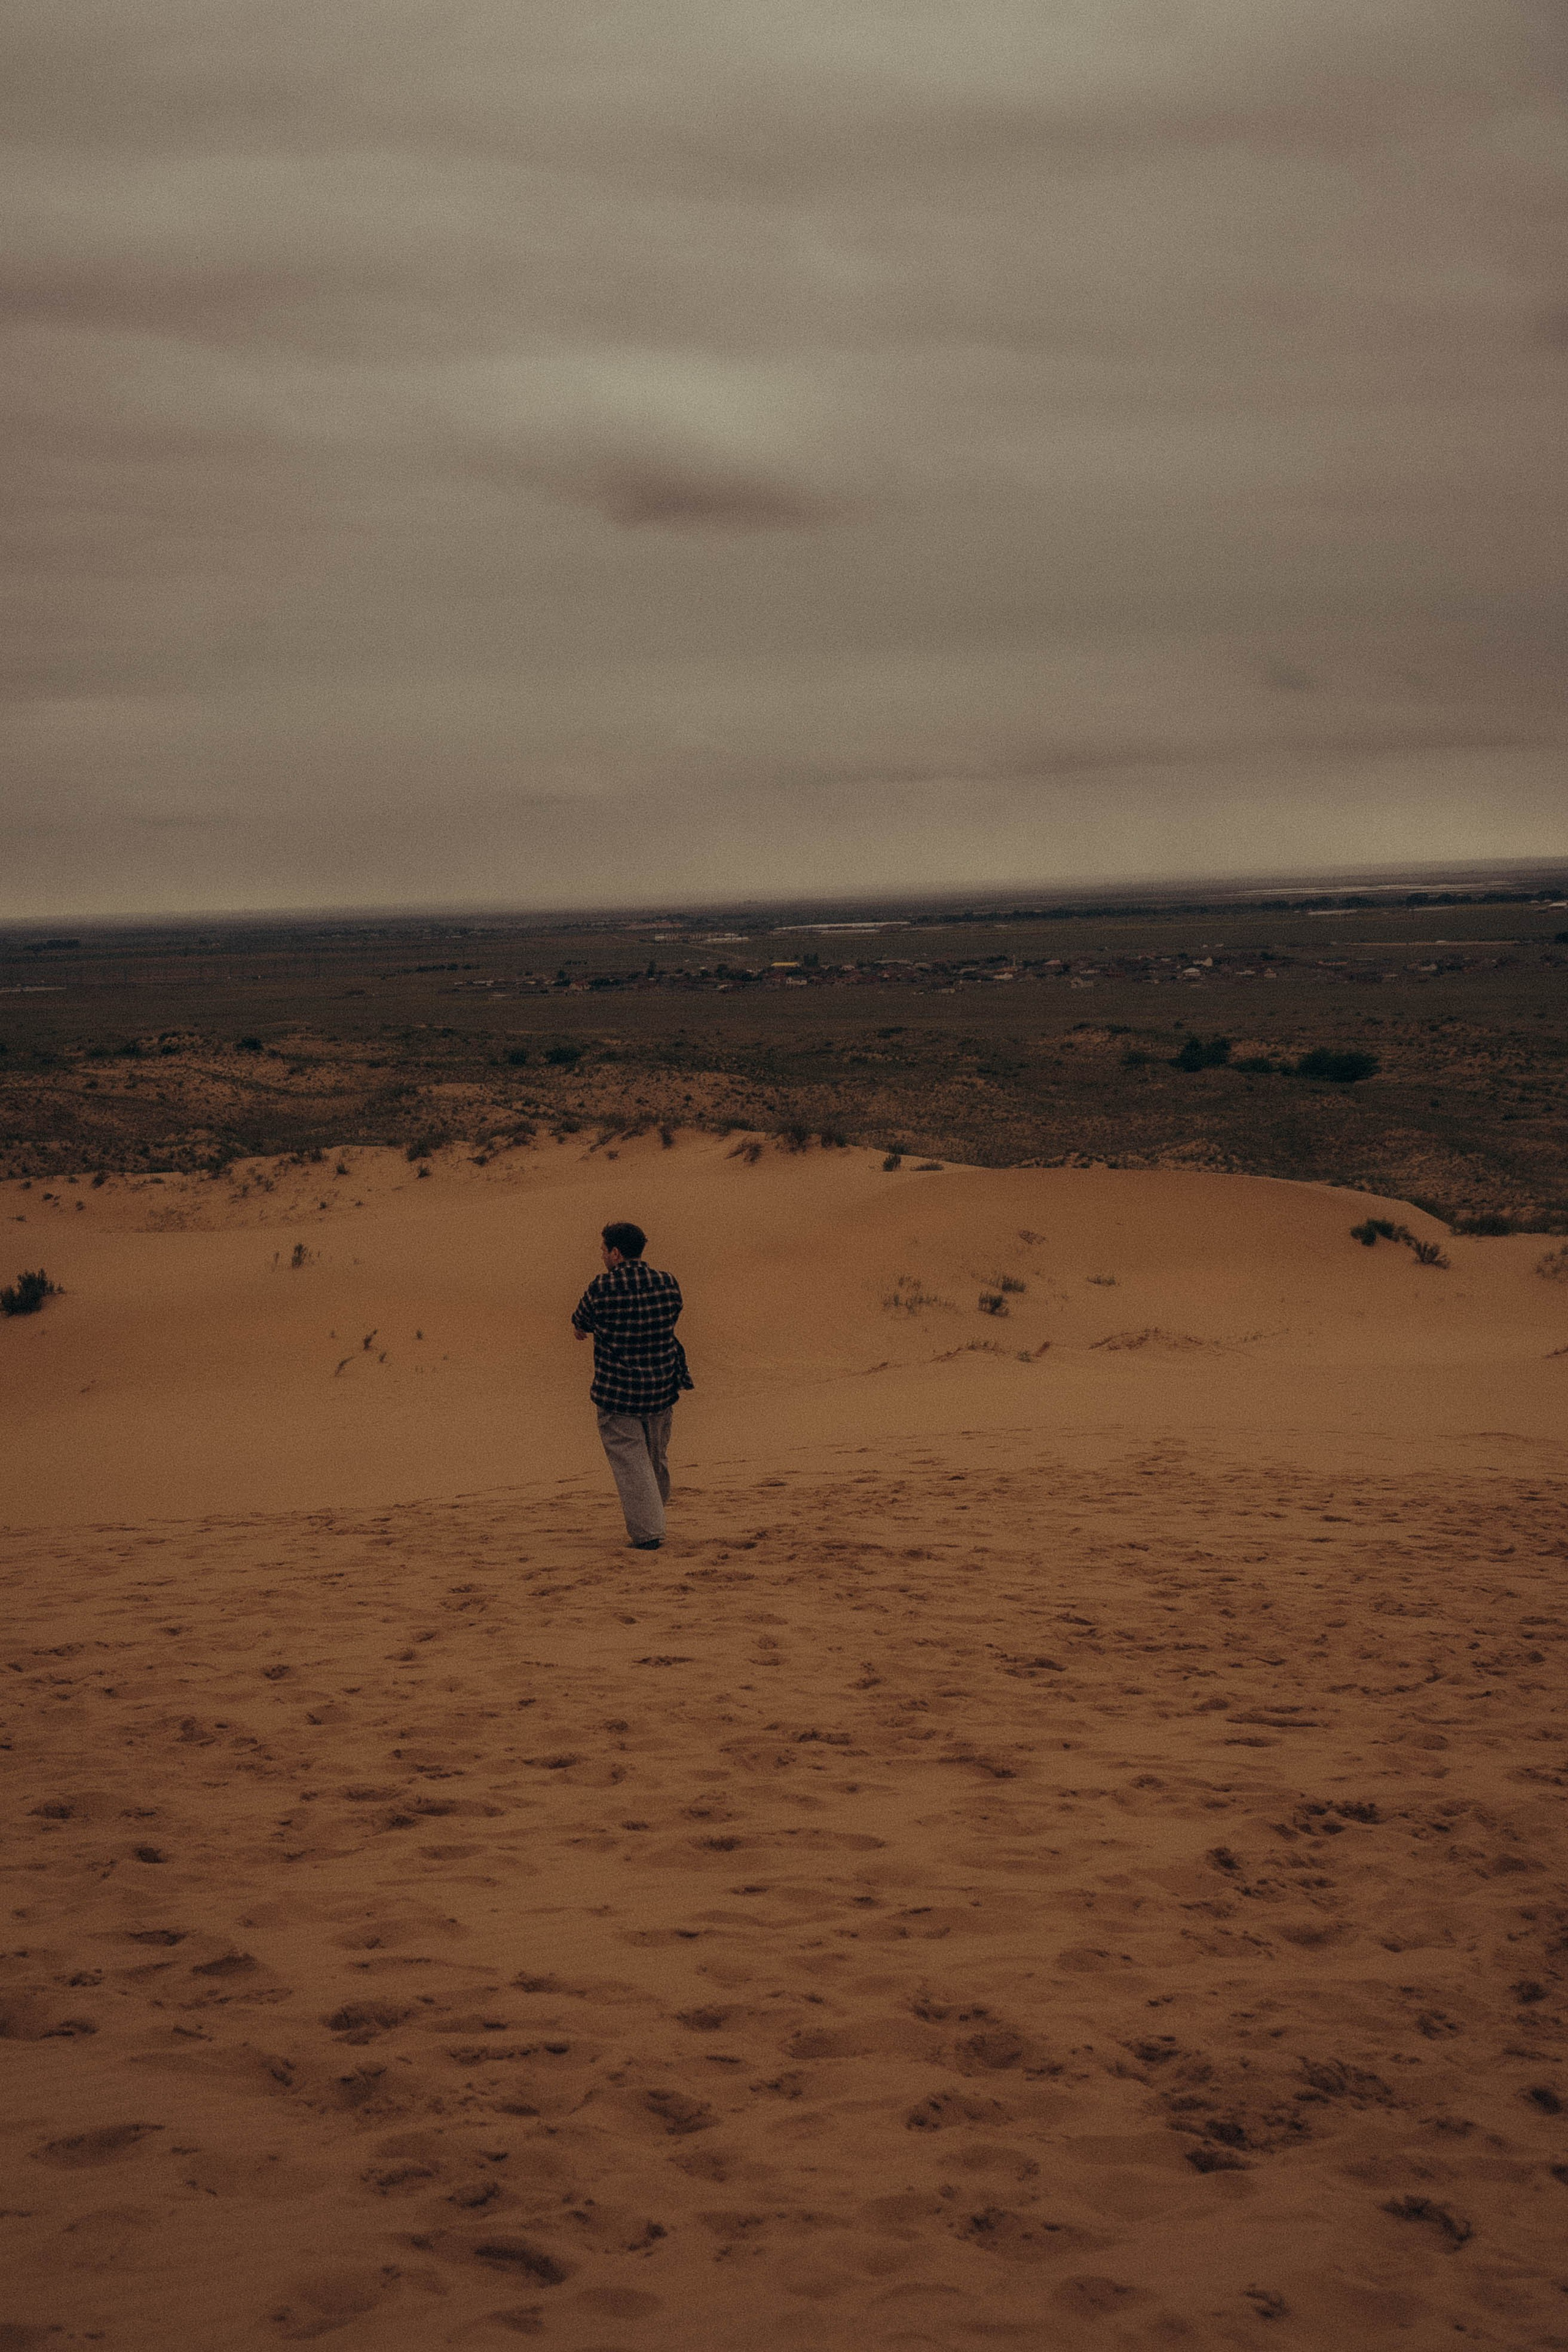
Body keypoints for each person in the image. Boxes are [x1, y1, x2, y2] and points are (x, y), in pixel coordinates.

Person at [571, 1221, 693, 1549]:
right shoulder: (668, 1282)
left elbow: (582, 1318)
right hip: (661, 1385)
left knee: (632, 1461)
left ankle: (649, 1533)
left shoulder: (602, 1287)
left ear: (616, 1252)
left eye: (603, 1250)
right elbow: (674, 1313)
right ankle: (654, 1513)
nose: (602, 1256)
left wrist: (585, 1329)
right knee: (655, 1457)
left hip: (618, 1391)